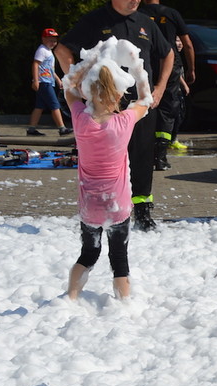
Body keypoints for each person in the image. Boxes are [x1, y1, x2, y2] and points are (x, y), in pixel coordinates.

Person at [55, 0, 174, 233]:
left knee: (142, 157)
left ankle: (142, 211)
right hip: (105, 108)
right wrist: (77, 83)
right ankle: (102, 209)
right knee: (105, 163)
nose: (136, 0)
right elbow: (61, 49)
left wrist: (159, 88)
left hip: (139, 105)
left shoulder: (145, 23)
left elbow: (168, 54)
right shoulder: (94, 20)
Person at [63, 55, 150, 300]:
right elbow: (146, 99)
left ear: (88, 92)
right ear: (119, 94)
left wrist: (86, 66)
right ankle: (123, 305)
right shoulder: (124, 121)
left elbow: (68, 86)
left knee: (88, 254)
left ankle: (71, 298)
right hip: (117, 204)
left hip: (90, 205)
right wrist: (137, 66)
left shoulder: (80, 118)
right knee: (119, 259)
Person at [139, 0, 195, 172]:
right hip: (169, 64)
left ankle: (142, 155)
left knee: (143, 106)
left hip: (144, 63)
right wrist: (191, 69)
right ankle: (160, 158)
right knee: (167, 109)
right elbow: (188, 45)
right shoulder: (171, 14)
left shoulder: (136, 13)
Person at [27, 28, 71, 137]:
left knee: (39, 106)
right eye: (50, 40)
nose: (53, 43)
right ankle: (62, 128)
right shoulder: (42, 50)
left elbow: (50, 69)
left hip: (48, 81)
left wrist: (57, 80)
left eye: (54, 41)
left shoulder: (48, 52)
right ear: (43, 39)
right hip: (43, 82)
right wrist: (36, 80)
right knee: (55, 105)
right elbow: (35, 64)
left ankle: (31, 129)